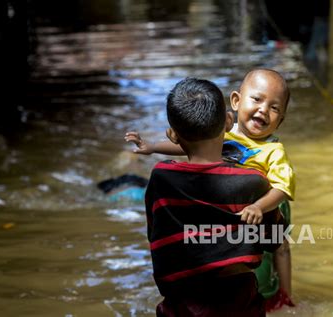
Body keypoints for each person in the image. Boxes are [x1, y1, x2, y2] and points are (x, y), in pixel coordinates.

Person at [125, 69, 295, 311]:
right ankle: (282, 295)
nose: (263, 110)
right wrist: (153, 147)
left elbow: (283, 187)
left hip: (262, 202)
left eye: (274, 107)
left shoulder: (161, 178)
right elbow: (275, 242)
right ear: (229, 117)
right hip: (250, 214)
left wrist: (259, 205)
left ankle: (283, 294)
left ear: (174, 134)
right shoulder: (254, 181)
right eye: (257, 100)